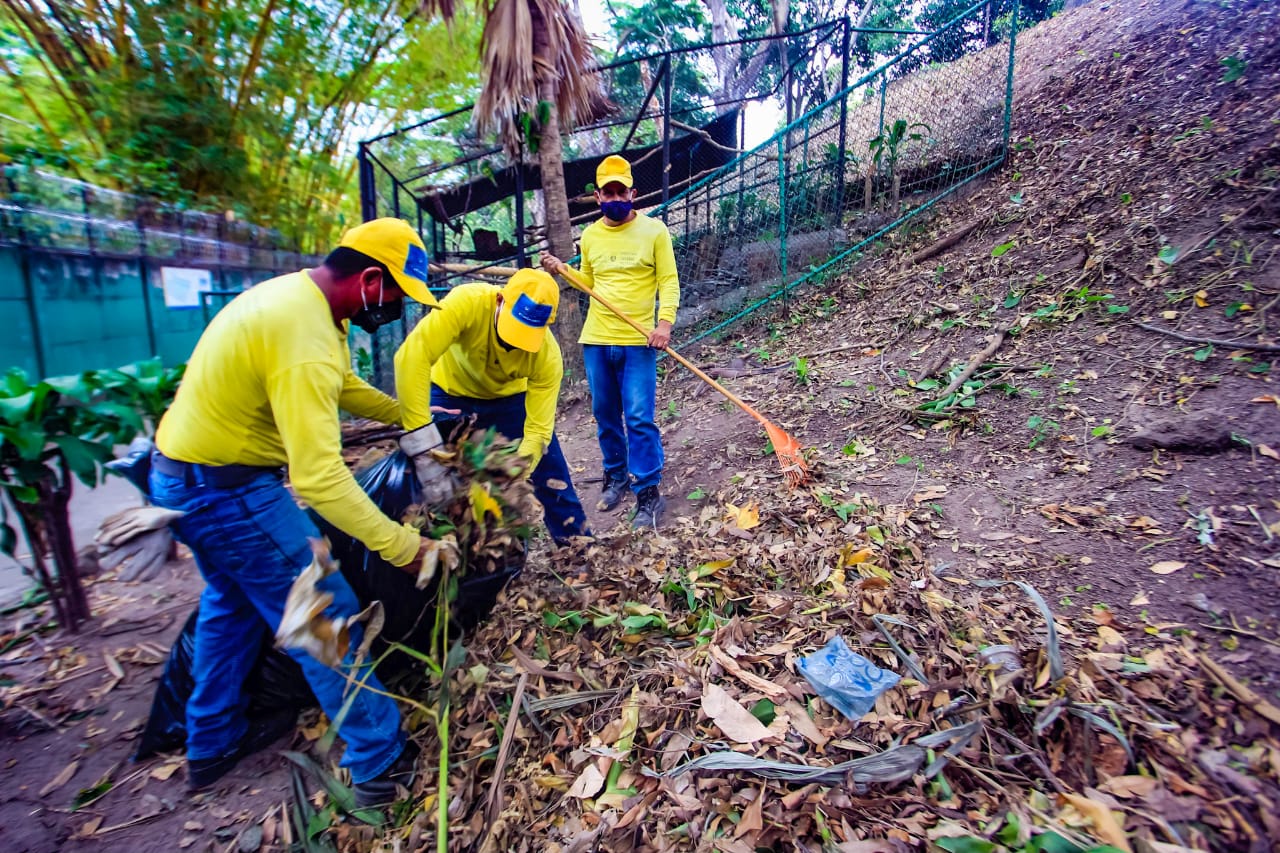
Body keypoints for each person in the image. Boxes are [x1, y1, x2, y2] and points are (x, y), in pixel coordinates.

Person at [149, 218, 443, 806]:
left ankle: (210, 743)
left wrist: (410, 415)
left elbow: (344, 386)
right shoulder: (304, 338)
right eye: (394, 295)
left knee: (230, 607)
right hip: (227, 493)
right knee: (324, 610)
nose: (394, 308)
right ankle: (378, 760)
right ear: (367, 279)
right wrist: (404, 546)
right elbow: (320, 479)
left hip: (183, 478)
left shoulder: (304, 304)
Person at [393, 269, 590, 545]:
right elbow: (412, 356)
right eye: (512, 331)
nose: (514, 345)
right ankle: (433, 548)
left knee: (550, 471)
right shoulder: (465, 303)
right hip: (450, 395)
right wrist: (421, 435)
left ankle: (578, 547)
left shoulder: (547, 359)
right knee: (433, 476)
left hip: (510, 404)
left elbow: (536, 432)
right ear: (499, 300)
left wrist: (515, 473)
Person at [541, 154, 680, 529]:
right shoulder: (590, 235)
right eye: (608, 191)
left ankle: (648, 492)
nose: (616, 196)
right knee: (605, 415)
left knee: (638, 417)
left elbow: (668, 281)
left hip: (639, 342)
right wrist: (562, 270)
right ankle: (615, 477)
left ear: (632, 192)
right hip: (597, 340)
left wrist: (663, 324)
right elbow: (584, 284)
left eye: (622, 190)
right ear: (599, 197)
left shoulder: (655, 231)